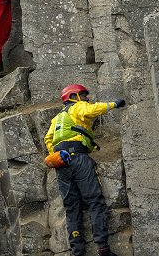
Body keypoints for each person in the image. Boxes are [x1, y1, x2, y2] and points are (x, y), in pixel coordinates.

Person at [44, 84, 126, 256]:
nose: (87, 98)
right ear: (74, 96)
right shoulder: (77, 107)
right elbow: (91, 110)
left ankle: (78, 251)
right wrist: (114, 104)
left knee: (72, 207)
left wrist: (58, 155)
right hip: (78, 158)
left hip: (61, 163)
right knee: (95, 201)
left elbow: (48, 138)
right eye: (84, 95)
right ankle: (103, 249)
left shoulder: (57, 119)